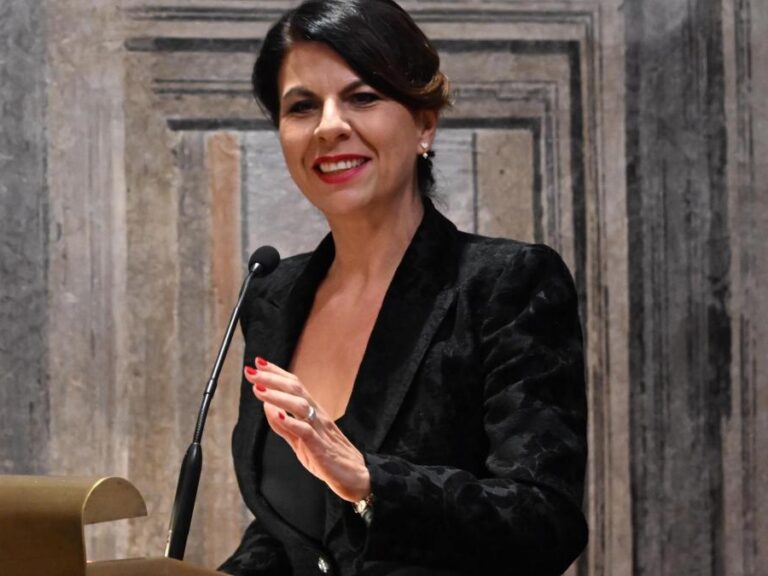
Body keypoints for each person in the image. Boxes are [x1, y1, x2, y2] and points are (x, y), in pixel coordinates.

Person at [217, 1, 588, 575]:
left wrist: (369, 482)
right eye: (302, 106)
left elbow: (546, 522)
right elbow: (295, 531)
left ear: (424, 124)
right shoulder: (275, 294)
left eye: (362, 97)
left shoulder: (506, 284)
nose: (329, 126)